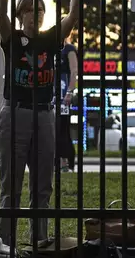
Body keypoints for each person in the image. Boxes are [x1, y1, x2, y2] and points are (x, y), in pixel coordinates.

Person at [0, 0, 79, 246]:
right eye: (30, 10)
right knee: (11, 185)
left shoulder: (50, 39)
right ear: (21, 15)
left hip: (44, 114)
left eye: (40, 10)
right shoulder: (13, 38)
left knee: (43, 185)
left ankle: (39, 241)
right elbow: (0, 12)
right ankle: (5, 243)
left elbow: (73, 15)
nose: (37, 14)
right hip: (15, 112)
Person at [56, 35, 77, 172]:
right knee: (52, 129)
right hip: (52, 95)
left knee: (62, 128)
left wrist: (69, 92)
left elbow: (74, 71)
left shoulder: (69, 49)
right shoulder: (52, 49)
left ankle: (66, 162)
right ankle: (56, 161)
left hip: (64, 95)